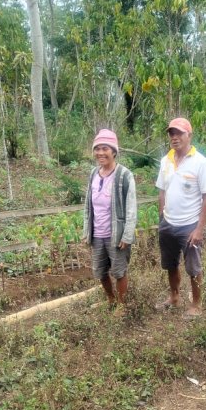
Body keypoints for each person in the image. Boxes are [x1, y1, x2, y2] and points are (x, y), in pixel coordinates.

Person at [155, 117, 206, 318]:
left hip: (189, 225)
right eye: (171, 133)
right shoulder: (166, 161)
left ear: (189, 135)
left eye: (179, 133)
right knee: (170, 264)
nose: (174, 137)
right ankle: (174, 296)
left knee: (194, 267)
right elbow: (162, 191)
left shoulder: (201, 163)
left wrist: (199, 229)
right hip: (168, 223)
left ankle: (196, 304)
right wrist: (162, 217)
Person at [82, 129, 137, 315]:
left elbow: (131, 208)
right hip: (97, 233)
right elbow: (88, 206)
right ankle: (110, 299)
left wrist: (127, 235)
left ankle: (121, 305)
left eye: (104, 148)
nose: (100, 153)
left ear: (114, 151)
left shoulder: (124, 175)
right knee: (100, 271)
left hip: (116, 235)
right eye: (97, 148)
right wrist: (86, 231)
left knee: (119, 271)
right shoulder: (93, 174)